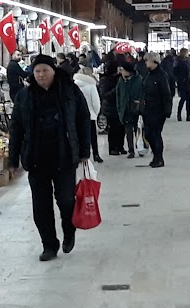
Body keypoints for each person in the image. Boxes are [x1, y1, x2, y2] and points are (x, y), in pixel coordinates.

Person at [8, 55, 92, 262]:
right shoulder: (25, 96)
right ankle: (49, 244)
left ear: (53, 71)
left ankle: (69, 230)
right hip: (36, 158)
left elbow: (83, 120)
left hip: (64, 156)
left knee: (66, 200)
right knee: (40, 206)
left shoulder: (70, 92)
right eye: (37, 71)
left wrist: (84, 151)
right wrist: (12, 159)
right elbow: (16, 128)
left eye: (45, 70)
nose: (41, 75)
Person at [138, 53, 173, 168]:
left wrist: (167, 110)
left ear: (154, 62)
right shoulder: (148, 75)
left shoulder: (161, 76)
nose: (145, 63)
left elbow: (167, 94)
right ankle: (155, 156)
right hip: (147, 110)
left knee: (156, 134)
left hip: (158, 110)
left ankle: (159, 158)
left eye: (147, 61)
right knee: (148, 134)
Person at [73, 64, 104, 165]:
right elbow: (95, 102)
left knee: (79, 136)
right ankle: (95, 154)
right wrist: (96, 113)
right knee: (92, 136)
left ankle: (79, 155)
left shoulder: (74, 85)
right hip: (90, 115)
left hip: (76, 116)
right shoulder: (91, 85)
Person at [114, 62, 144, 158]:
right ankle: (131, 150)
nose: (121, 72)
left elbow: (143, 92)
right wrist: (119, 107)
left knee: (138, 129)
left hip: (136, 108)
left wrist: (139, 102)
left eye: (123, 70)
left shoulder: (139, 79)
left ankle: (140, 147)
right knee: (128, 131)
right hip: (125, 109)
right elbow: (118, 94)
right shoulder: (121, 80)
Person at [99, 61, 125, 157]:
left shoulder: (120, 78)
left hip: (120, 106)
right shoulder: (105, 80)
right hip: (110, 107)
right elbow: (105, 95)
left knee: (121, 128)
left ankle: (120, 146)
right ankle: (113, 148)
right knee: (113, 129)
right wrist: (116, 90)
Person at [173, 49, 190, 121]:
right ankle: (179, 114)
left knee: (188, 99)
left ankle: (188, 115)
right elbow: (175, 72)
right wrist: (179, 79)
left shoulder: (187, 60)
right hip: (182, 82)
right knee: (183, 98)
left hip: (188, 82)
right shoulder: (178, 61)